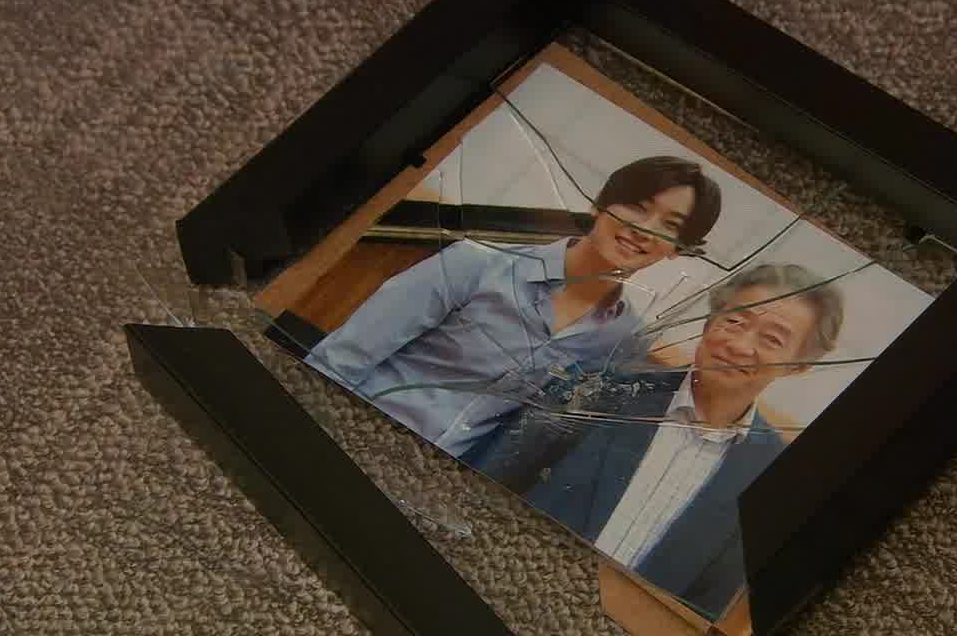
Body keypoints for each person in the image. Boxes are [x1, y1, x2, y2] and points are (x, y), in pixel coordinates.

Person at [305, 156, 723, 457]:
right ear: (600, 204)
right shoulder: (478, 263)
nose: (643, 230)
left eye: (669, 226)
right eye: (637, 207)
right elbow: (340, 359)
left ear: (678, 249)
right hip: (345, 431)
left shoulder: (625, 339)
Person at [520, 264, 845, 619]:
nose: (739, 345)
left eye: (772, 340)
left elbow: (704, 609)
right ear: (709, 322)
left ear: (798, 366)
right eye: (735, 321)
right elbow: (495, 474)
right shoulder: (598, 387)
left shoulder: (776, 479)